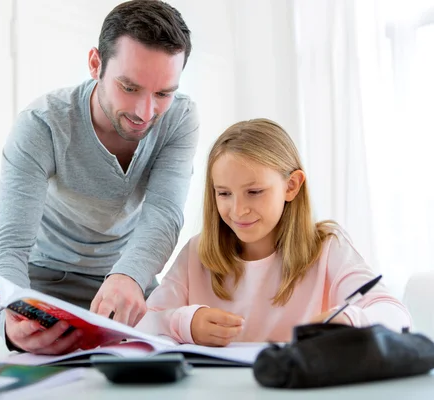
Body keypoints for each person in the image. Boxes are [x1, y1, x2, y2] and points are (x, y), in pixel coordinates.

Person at [0, 0, 199, 355]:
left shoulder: (179, 117)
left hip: (129, 281)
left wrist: (129, 277)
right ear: (95, 64)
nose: (145, 114)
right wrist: (8, 317)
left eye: (162, 93)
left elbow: (164, 215)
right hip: (45, 283)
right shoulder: (42, 125)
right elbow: (8, 245)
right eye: (129, 88)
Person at [135, 118, 412, 345]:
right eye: (224, 193)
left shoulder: (327, 247)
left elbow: (396, 316)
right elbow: (141, 327)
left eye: (254, 192)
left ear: (291, 186)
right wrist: (185, 324)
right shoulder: (197, 253)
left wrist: (350, 321)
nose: (238, 209)